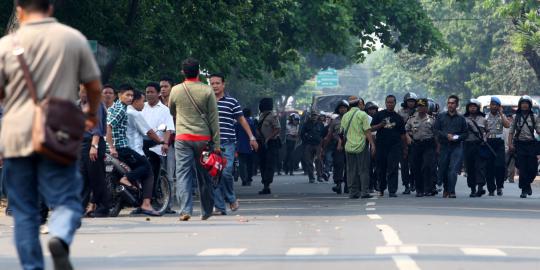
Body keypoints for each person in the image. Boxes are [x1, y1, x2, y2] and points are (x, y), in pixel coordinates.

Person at [0, 1, 102, 269]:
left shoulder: (5, 46)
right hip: (59, 133)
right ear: (51, 7)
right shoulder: (72, 39)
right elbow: (93, 86)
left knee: (24, 211)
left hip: (16, 136)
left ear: (19, 10)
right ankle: (59, 234)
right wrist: (91, 115)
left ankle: (32, 267)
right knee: (67, 198)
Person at [169, 58, 220, 220]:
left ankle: (185, 210)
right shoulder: (207, 90)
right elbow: (214, 119)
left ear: (183, 72)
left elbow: (171, 110)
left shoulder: (175, 90)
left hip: (183, 137)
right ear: (198, 71)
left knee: (183, 173)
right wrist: (217, 144)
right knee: (204, 175)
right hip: (203, 139)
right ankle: (206, 211)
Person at [107, 86, 162, 216]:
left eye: (131, 96)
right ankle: (146, 204)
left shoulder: (114, 108)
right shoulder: (124, 111)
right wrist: (112, 147)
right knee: (147, 168)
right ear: (120, 94)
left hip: (116, 148)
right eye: (127, 95)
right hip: (123, 148)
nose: (130, 98)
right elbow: (108, 126)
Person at [209, 73, 258, 215]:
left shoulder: (232, 102)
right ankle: (219, 206)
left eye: (217, 83)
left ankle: (231, 199)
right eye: (212, 83)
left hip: (227, 143)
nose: (215, 86)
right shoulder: (206, 102)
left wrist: (251, 137)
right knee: (214, 174)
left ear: (223, 84)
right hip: (210, 143)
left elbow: (242, 120)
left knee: (225, 172)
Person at [141, 82, 175, 214]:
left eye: (151, 92)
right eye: (147, 92)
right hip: (141, 145)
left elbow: (169, 129)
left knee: (162, 173)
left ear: (158, 93)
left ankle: (166, 204)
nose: (149, 94)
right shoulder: (141, 107)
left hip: (158, 146)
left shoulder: (165, 110)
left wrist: (165, 143)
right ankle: (143, 202)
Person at [79, 85, 110, 218]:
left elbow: (97, 128)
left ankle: (103, 207)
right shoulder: (77, 105)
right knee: (82, 177)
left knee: (96, 177)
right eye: (82, 92)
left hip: (93, 143)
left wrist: (94, 146)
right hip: (81, 144)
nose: (85, 94)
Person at [371, 95, 408, 197]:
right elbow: (371, 128)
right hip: (381, 146)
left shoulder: (398, 118)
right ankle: (381, 188)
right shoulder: (379, 115)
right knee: (381, 168)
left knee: (393, 168)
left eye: (391, 102)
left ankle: (392, 190)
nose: (389, 104)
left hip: (394, 147)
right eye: (388, 102)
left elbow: (403, 135)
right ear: (385, 103)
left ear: (395, 103)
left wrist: (405, 148)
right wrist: (380, 125)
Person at [434, 95, 468, 198]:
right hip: (444, 146)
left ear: (457, 105)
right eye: (449, 103)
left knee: (453, 169)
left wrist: (456, 137)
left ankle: (452, 190)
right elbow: (435, 130)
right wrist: (446, 135)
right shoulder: (441, 116)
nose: (450, 105)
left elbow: (465, 133)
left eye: (453, 103)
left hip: (456, 147)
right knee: (443, 168)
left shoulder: (461, 118)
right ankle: (445, 188)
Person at [341, 97, 376, 199]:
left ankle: (353, 192)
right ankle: (364, 192)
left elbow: (342, 132)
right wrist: (372, 144)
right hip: (361, 146)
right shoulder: (362, 114)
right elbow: (367, 131)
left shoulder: (345, 116)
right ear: (358, 104)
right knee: (363, 170)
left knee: (351, 170)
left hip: (348, 146)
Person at [507, 95, 540, 198]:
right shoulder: (516, 117)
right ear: (520, 105)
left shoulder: (534, 117)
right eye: (523, 103)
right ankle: (524, 190)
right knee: (522, 167)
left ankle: (528, 184)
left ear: (529, 105)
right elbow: (511, 131)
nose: (524, 105)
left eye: (526, 103)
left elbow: (538, 130)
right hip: (520, 144)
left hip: (531, 145)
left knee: (533, 168)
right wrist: (510, 144)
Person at [406, 98, 438, 197]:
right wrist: (408, 138)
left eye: (423, 106)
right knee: (416, 167)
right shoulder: (412, 119)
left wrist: (438, 148)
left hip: (428, 145)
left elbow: (436, 134)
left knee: (427, 166)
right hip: (416, 145)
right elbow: (405, 130)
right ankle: (419, 189)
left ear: (427, 107)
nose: (421, 108)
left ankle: (428, 188)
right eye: (419, 106)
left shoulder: (431, 120)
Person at [485, 96, 510, 196]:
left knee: (499, 166)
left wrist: (501, 113)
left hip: (499, 142)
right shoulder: (485, 117)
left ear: (499, 106)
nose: (494, 107)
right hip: (489, 142)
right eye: (492, 104)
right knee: (489, 167)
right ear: (490, 105)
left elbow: (507, 125)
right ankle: (491, 189)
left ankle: (499, 186)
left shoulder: (502, 116)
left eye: (496, 105)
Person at [463, 99, 488, 197]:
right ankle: (472, 189)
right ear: (468, 108)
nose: (472, 108)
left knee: (480, 167)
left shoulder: (483, 119)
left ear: (478, 108)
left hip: (479, 145)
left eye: (474, 106)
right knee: (470, 167)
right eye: (470, 106)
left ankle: (480, 187)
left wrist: (485, 139)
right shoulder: (463, 119)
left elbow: (487, 131)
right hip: (467, 145)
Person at [324, 100, 349, 194]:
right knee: (338, 164)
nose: (342, 109)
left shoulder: (351, 119)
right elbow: (330, 134)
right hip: (338, 146)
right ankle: (338, 184)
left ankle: (348, 185)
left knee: (349, 166)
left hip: (350, 144)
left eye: (344, 108)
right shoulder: (335, 121)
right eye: (341, 108)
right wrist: (324, 148)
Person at [257, 98, 281, 194]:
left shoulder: (273, 116)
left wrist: (268, 138)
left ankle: (267, 185)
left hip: (271, 143)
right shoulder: (261, 115)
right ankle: (265, 184)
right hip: (262, 143)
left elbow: (277, 129)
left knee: (269, 164)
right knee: (262, 163)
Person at [399, 92, 417, 194]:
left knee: (414, 164)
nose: (411, 103)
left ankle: (413, 181)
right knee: (404, 165)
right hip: (403, 141)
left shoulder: (418, 112)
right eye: (409, 101)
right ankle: (406, 185)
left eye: (413, 101)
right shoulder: (400, 112)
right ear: (406, 102)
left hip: (415, 140)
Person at [301, 112, 325, 183]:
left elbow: (323, 135)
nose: (314, 117)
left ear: (317, 116)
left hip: (318, 145)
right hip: (309, 145)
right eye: (313, 115)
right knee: (309, 161)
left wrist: (322, 145)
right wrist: (306, 141)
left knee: (319, 160)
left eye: (315, 115)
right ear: (310, 116)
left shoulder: (321, 124)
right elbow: (302, 134)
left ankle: (319, 176)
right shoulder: (306, 124)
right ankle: (311, 177)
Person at [236, 108, 257, 186]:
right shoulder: (252, 123)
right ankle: (249, 178)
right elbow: (254, 134)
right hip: (250, 146)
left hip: (241, 146)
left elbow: (236, 134)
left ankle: (243, 178)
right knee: (250, 163)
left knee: (242, 163)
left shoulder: (238, 123)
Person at [365, 101, 379, 192]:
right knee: (368, 166)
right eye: (370, 109)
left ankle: (376, 182)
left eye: (374, 109)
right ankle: (370, 185)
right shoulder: (364, 119)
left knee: (378, 165)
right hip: (367, 143)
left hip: (378, 143)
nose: (372, 111)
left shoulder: (379, 118)